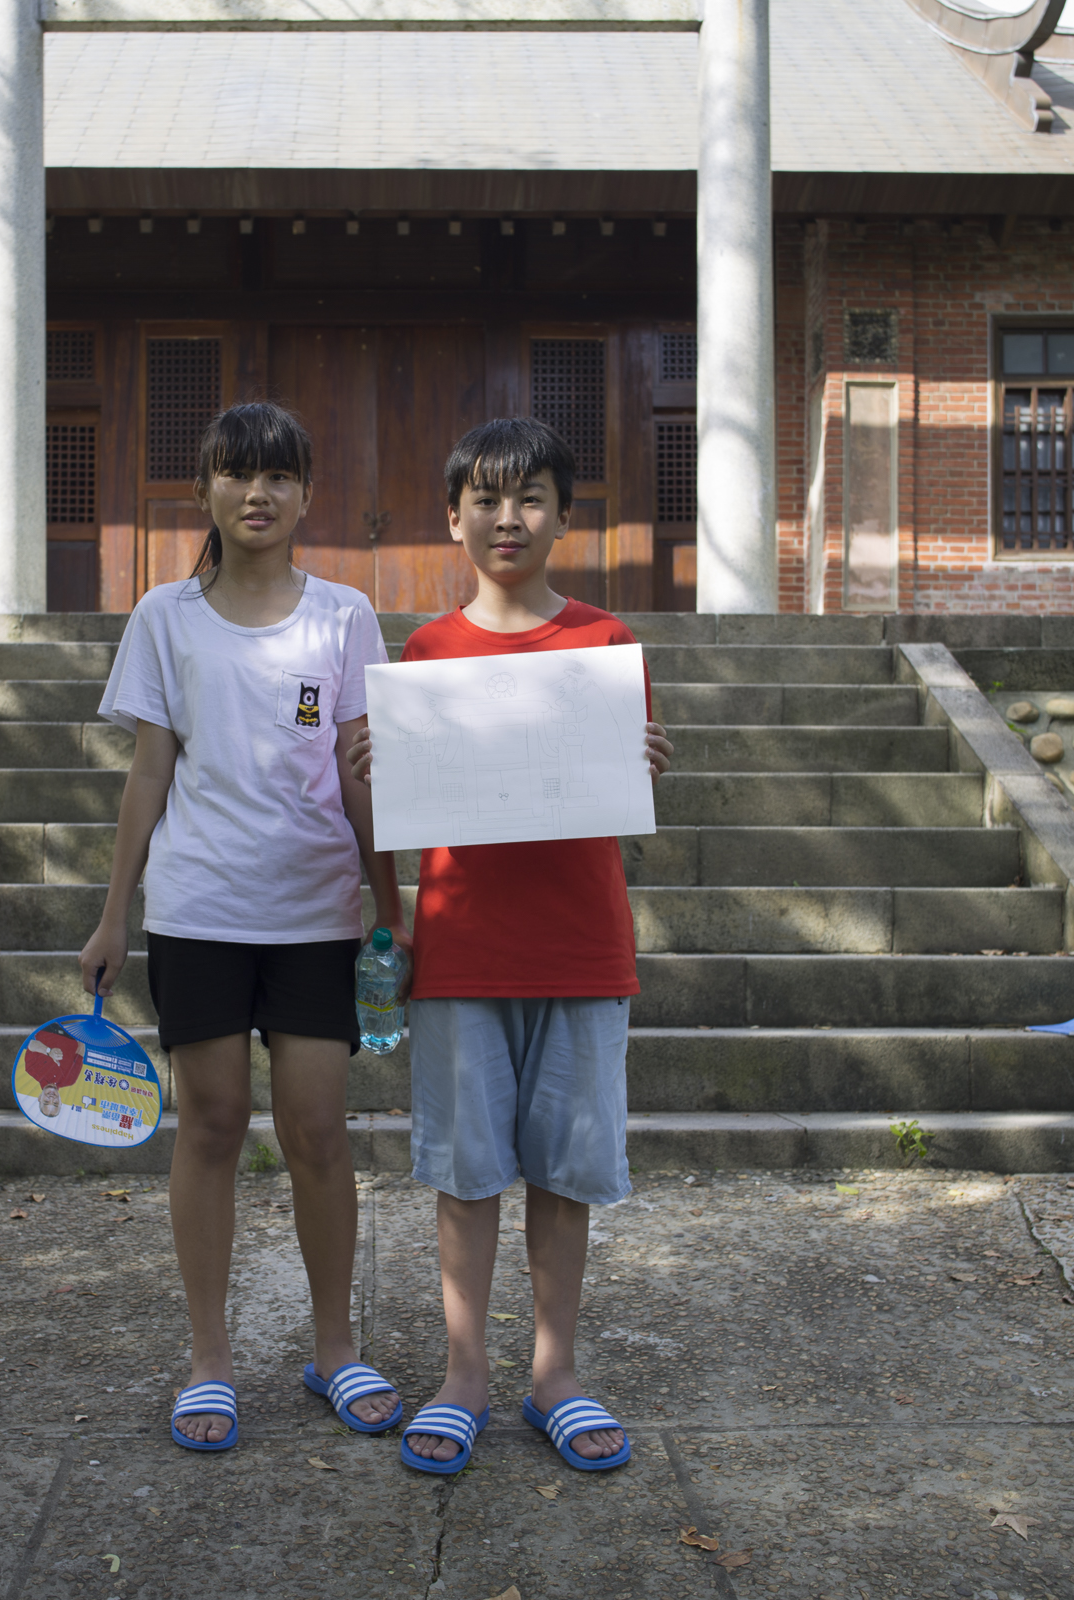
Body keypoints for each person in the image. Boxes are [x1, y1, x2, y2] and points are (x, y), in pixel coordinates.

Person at [80, 401, 411, 1452]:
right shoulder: (164, 617)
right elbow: (147, 772)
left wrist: (389, 904)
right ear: (207, 489)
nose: (257, 494)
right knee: (212, 1125)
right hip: (199, 908)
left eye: (277, 477)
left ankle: (333, 1349)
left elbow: (365, 773)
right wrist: (111, 915)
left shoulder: (346, 616)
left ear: (307, 493)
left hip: (317, 910)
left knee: (317, 1130)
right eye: (237, 475)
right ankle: (209, 1361)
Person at [348, 416, 673, 1475]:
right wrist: (372, 776)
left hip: (580, 946)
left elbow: (610, 801)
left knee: (566, 1172)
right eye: (484, 499)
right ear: (452, 518)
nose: (506, 517)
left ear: (564, 518)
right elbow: (401, 812)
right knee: (466, 1171)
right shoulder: (429, 654)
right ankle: (462, 1375)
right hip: (462, 948)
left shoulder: (607, 644)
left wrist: (640, 765)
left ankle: (554, 1372)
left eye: (530, 496)